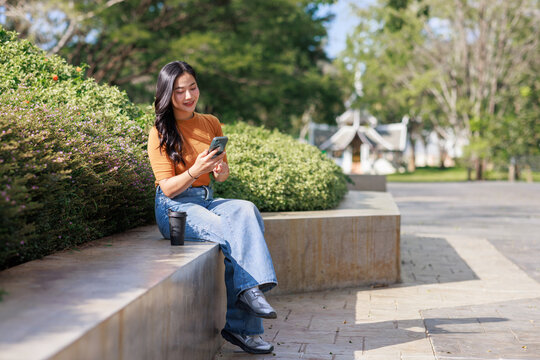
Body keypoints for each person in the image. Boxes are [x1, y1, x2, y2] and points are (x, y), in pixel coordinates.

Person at [147, 61, 278, 354]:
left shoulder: (210, 122)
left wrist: (218, 169)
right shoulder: (160, 130)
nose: (188, 96)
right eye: (179, 91)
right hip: (174, 208)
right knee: (229, 231)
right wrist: (195, 170)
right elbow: (167, 187)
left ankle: (245, 303)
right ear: (167, 94)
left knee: (245, 211)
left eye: (192, 87)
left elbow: (223, 173)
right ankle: (246, 318)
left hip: (206, 198)